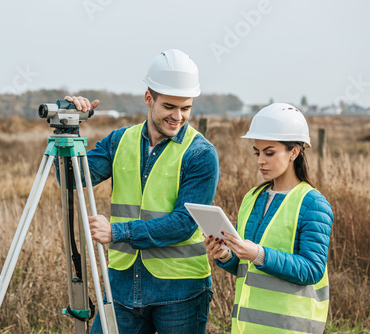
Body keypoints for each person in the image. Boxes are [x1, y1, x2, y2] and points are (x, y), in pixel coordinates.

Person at [65, 49, 220, 333]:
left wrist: (118, 233)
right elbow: (72, 179)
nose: (178, 116)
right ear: (149, 98)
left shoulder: (201, 154)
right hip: (123, 284)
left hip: (180, 288)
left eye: (185, 108)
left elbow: (184, 224)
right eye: (169, 107)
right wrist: (68, 130)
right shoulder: (119, 140)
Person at [204, 103, 333, 334]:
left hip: (291, 328)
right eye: (257, 152)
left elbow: (312, 269)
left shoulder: (313, 204)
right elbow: (248, 269)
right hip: (245, 327)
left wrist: (258, 254)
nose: (260, 160)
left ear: (294, 152)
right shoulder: (252, 198)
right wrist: (226, 256)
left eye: (269, 152)